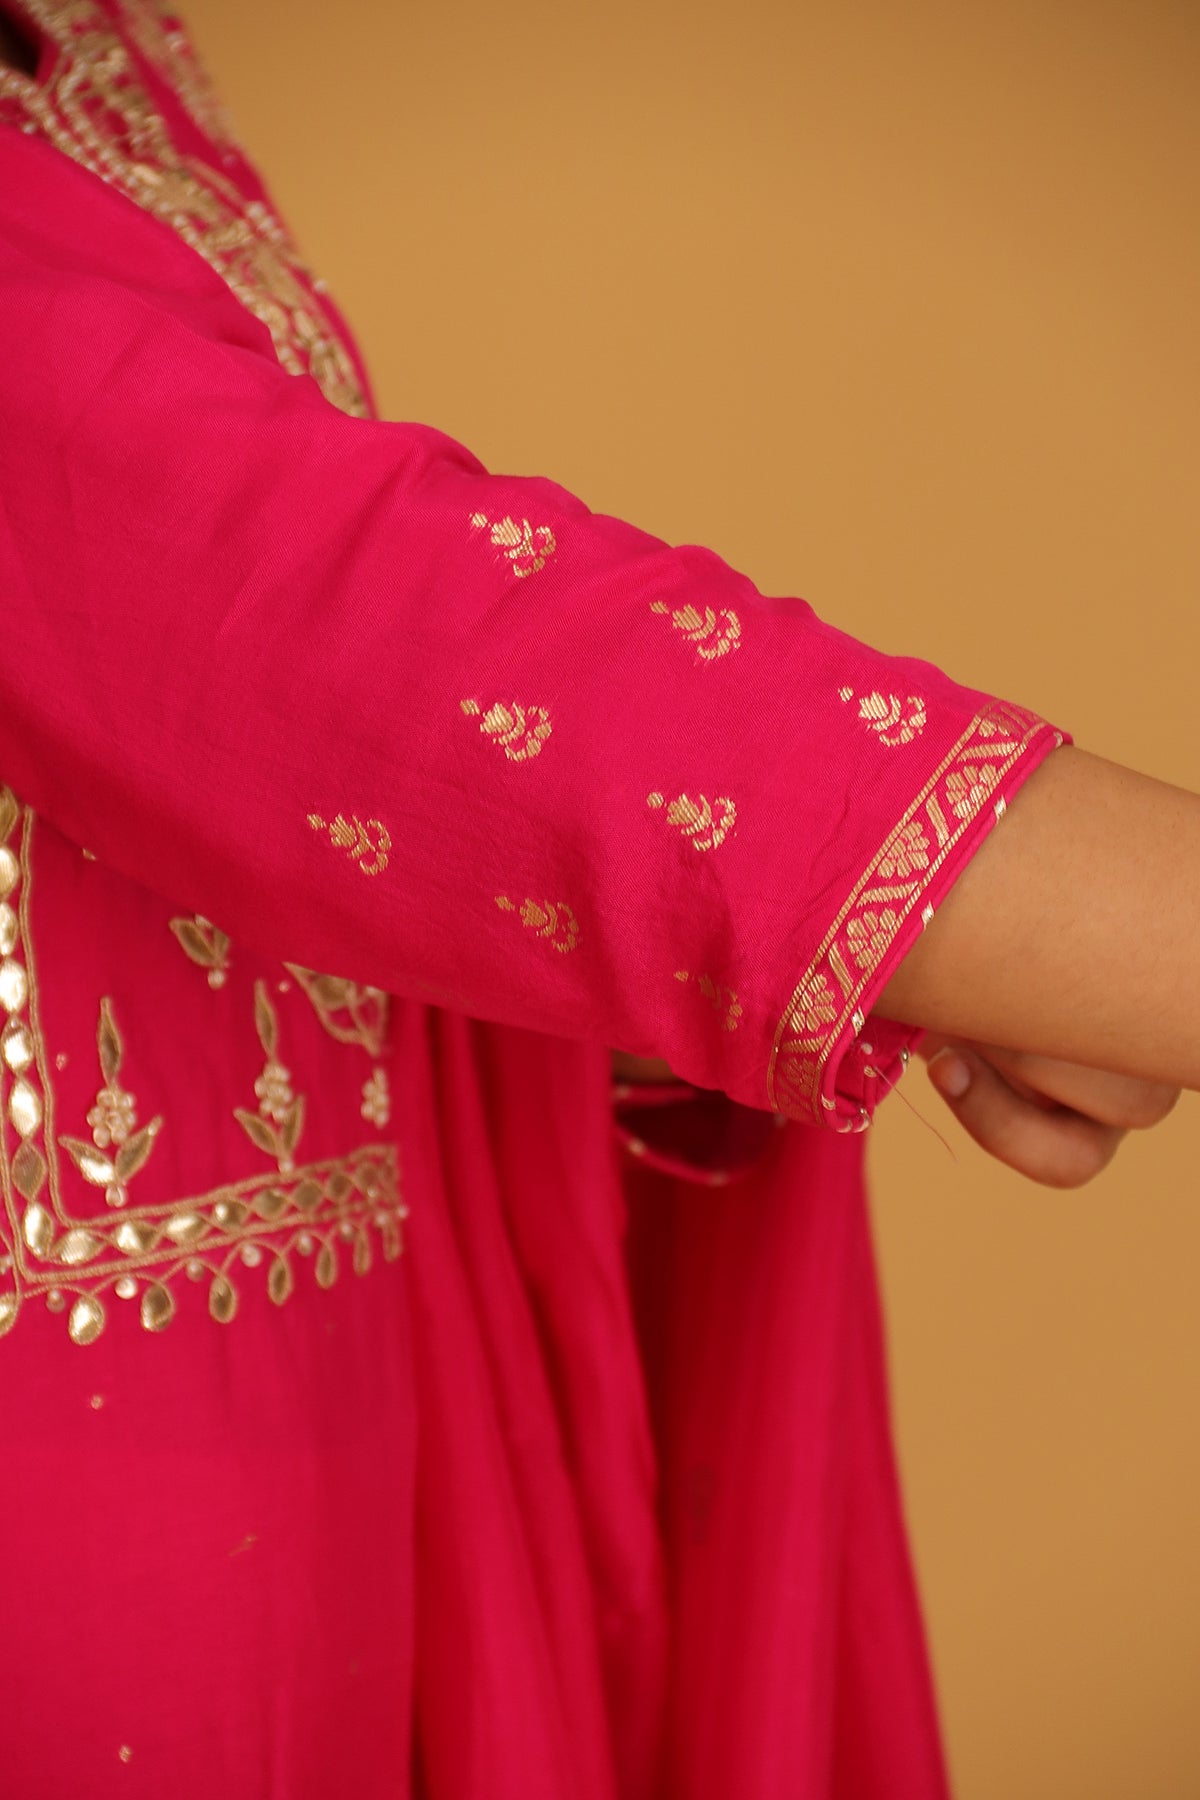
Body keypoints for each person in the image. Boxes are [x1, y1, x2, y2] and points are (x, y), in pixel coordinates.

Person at [0, 4, 1193, 1797]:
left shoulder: (104, 41)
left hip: (302, 1431)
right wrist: (1061, 923)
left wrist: (840, 965)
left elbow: (228, 775)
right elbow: (264, 594)